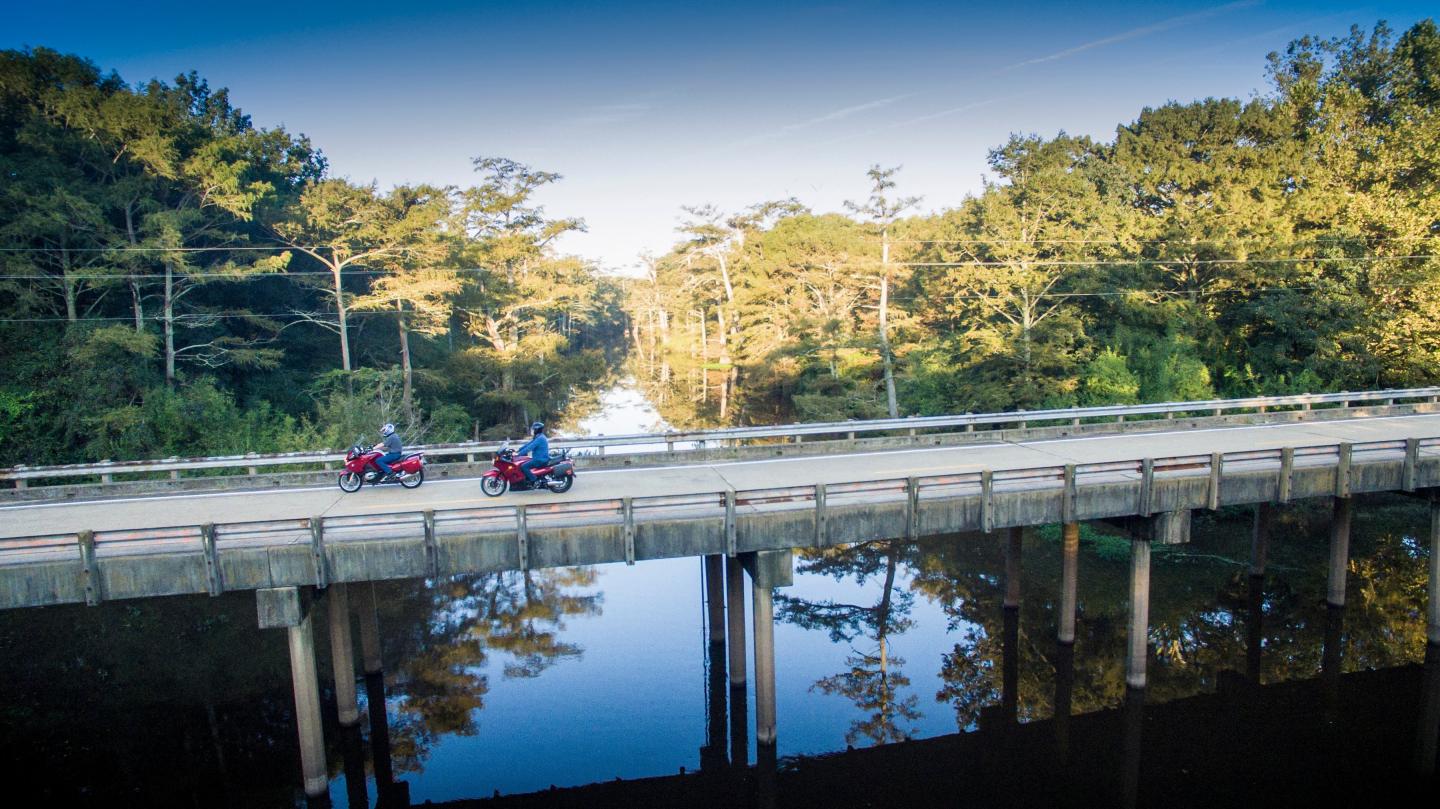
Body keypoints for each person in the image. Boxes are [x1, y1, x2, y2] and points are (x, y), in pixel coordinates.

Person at [516, 421, 550, 486]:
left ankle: (534, 480)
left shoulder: (540, 438)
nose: (532, 431)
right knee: (525, 462)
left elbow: (530, 448)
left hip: (540, 460)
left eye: (533, 429)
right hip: (540, 458)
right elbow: (528, 444)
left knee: (523, 466)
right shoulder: (539, 437)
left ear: (536, 430)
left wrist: (518, 454)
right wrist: (518, 450)